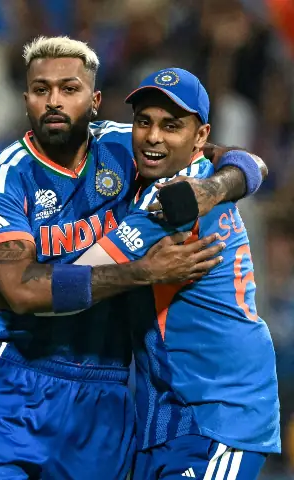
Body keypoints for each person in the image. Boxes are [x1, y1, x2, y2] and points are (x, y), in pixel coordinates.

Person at [0, 37, 268, 480]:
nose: (54, 101)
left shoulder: (129, 148)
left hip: (107, 393)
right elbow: (21, 291)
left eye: (69, 89)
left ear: (93, 100)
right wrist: (142, 273)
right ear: (25, 99)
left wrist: (213, 190)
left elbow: (234, 160)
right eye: (41, 90)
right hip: (20, 384)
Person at [83, 68, 278, 479]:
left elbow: (75, 278)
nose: (153, 136)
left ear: (200, 136)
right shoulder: (202, 178)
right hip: (173, 412)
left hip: (219, 414)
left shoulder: (170, 201)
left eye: (171, 126)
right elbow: (249, 162)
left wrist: (12, 288)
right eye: (144, 122)